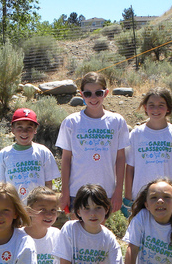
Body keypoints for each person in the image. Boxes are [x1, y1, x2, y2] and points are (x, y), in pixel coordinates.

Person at [56, 72, 130, 214]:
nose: (93, 98)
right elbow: (66, 158)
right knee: (77, 232)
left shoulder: (117, 121)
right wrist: (64, 191)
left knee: (98, 233)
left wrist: (118, 190)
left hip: (106, 191)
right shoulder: (71, 122)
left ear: (106, 93)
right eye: (88, 94)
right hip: (76, 191)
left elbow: (121, 158)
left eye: (98, 93)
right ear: (81, 94)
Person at [123, 87, 172, 216]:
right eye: (151, 105)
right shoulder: (136, 134)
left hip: (166, 197)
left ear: (168, 108)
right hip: (140, 197)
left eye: (161, 105)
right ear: (145, 108)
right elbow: (130, 168)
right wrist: (127, 198)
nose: (156, 109)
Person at [0, 108, 60, 201]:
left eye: (29, 128)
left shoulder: (43, 152)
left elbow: (48, 184)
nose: (24, 132)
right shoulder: (4, 154)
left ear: (35, 130)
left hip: (38, 209)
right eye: (20, 127)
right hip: (14, 208)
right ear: (13, 129)